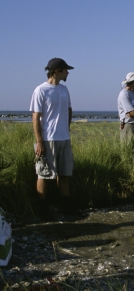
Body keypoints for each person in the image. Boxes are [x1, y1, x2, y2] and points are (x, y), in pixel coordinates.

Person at [30, 58, 77, 220]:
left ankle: (66, 207)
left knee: (64, 173)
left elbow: (69, 110)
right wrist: (40, 141)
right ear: (57, 71)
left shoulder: (64, 90)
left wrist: (66, 128)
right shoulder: (41, 90)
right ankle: (43, 209)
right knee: (44, 174)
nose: (68, 73)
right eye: (65, 70)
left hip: (64, 137)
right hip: (48, 138)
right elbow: (35, 117)